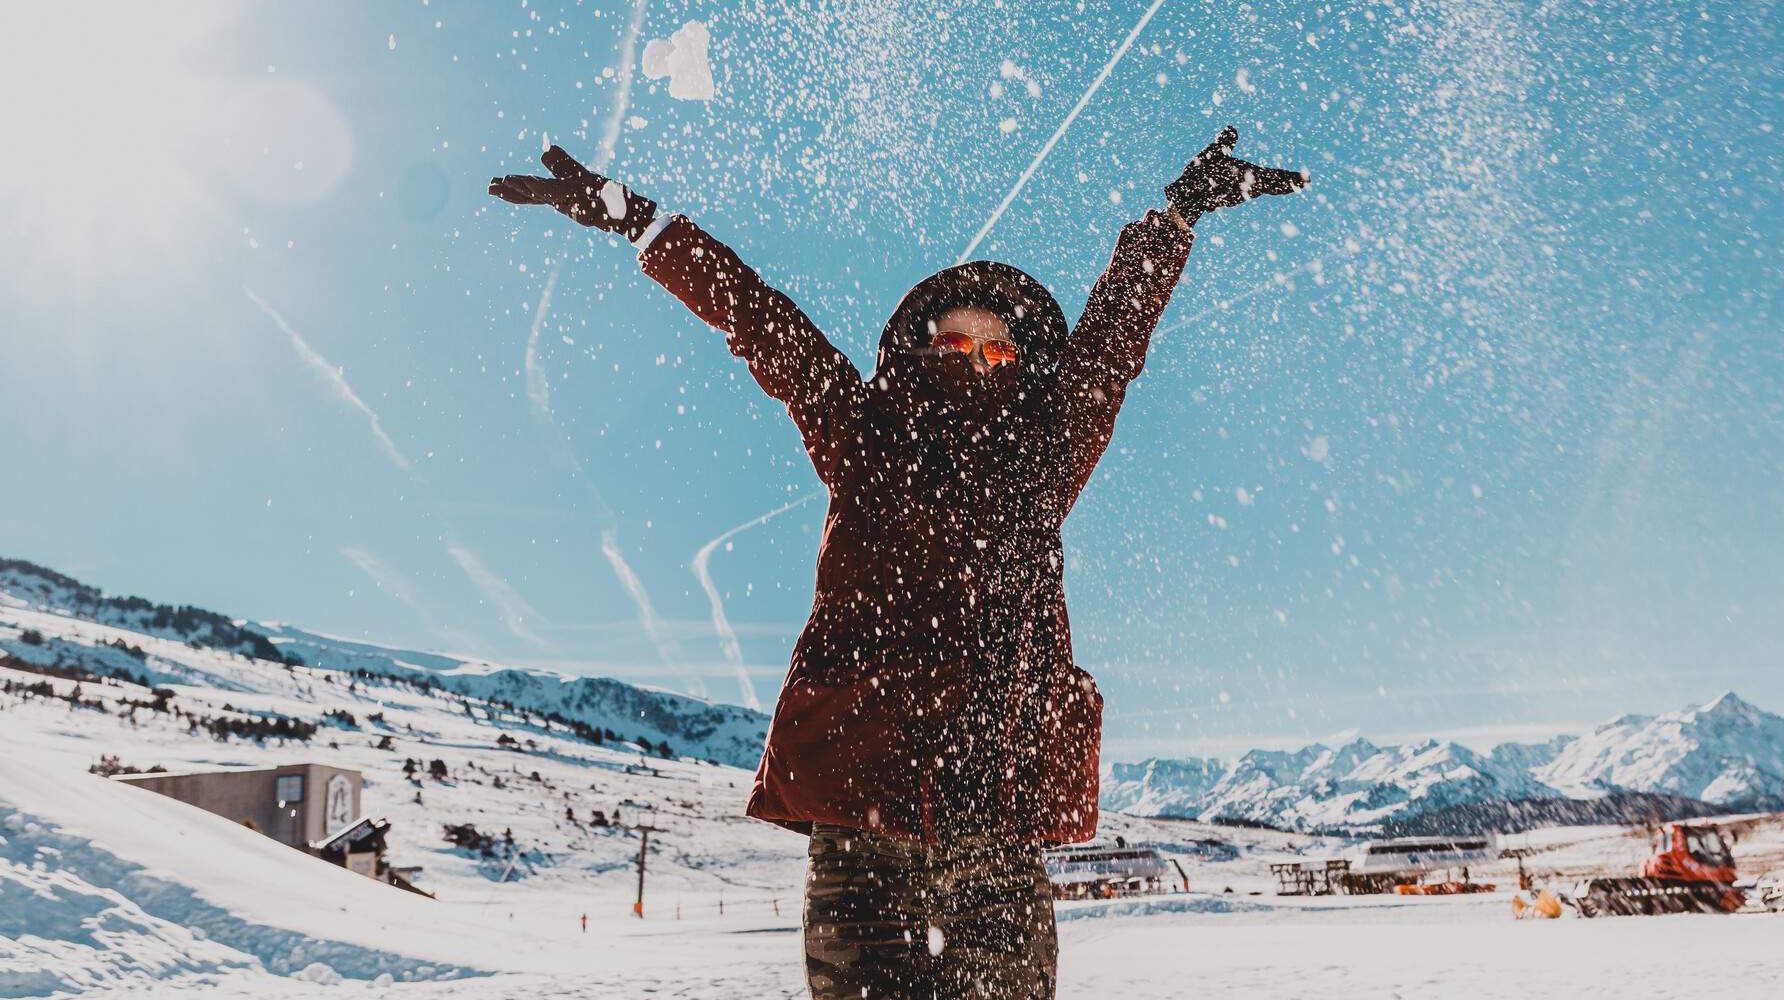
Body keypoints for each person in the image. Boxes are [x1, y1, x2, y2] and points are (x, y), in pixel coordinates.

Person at [489, 126, 1307, 997]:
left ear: (1025, 367)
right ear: (918, 350)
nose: (978, 365)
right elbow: (761, 322)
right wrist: (638, 221)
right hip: (861, 786)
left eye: (998, 351)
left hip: (993, 791)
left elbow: (1111, 345)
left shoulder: (1046, 455)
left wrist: (1175, 218)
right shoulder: (865, 433)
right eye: (956, 345)